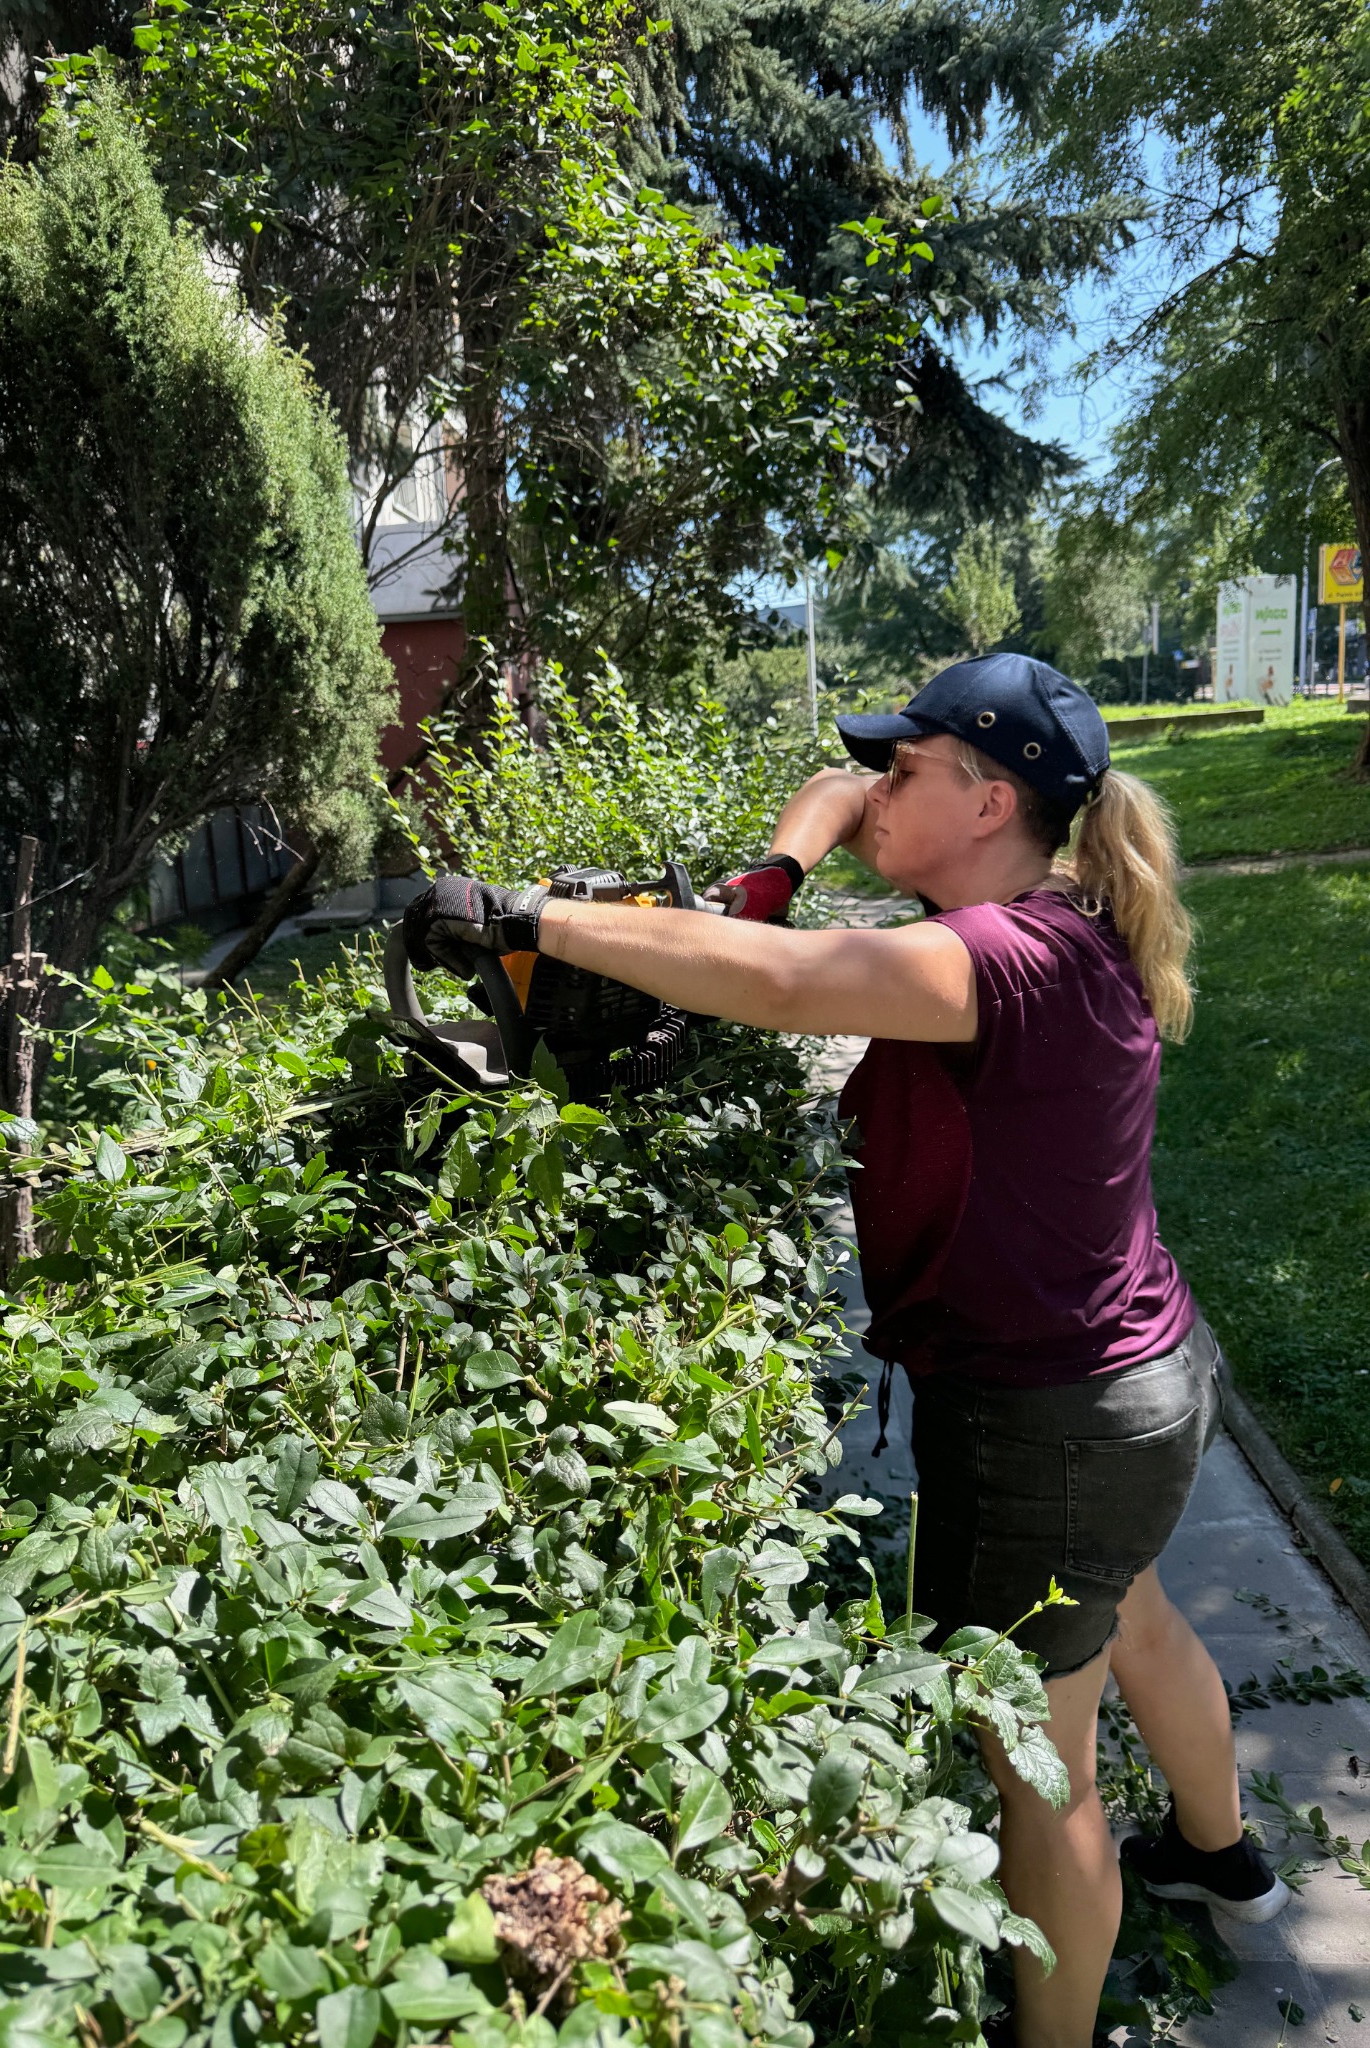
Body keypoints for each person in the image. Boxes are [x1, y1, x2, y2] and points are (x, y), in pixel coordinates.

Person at [402, 653, 1287, 2048]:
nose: (873, 787)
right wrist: (787, 862)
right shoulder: (1066, 928)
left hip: (1046, 1416)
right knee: (1134, 1618)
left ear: (989, 799)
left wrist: (534, 918)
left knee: (1036, 1763)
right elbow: (759, 967)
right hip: (1139, 1384)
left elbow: (779, 978)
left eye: (904, 767)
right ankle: (1223, 1855)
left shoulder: (1000, 960)